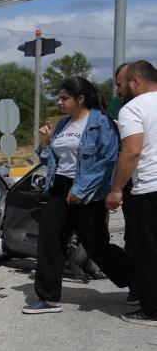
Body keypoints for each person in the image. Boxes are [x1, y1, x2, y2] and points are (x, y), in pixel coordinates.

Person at [23, 77, 133, 314]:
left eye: (64, 98)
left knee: (96, 246)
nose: (59, 102)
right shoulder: (62, 125)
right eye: (59, 98)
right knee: (49, 241)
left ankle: (139, 281)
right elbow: (51, 159)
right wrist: (44, 143)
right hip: (58, 187)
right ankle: (48, 298)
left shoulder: (102, 123)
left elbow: (107, 161)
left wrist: (80, 190)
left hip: (88, 192)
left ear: (81, 99)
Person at [107, 60, 157, 326]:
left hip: (149, 189)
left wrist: (116, 189)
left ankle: (152, 310)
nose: (118, 91)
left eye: (119, 84)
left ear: (135, 81)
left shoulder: (133, 108)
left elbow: (132, 151)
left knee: (147, 251)